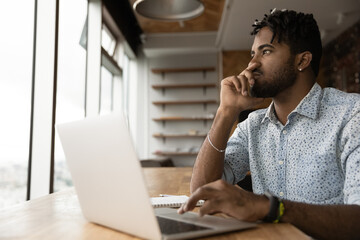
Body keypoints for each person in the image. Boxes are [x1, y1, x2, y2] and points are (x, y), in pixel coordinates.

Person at [178, 9, 360, 240]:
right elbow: (202, 191)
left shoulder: (352, 115)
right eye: (252, 54)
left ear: (302, 60)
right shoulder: (252, 124)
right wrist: (226, 113)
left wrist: (269, 207)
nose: (251, 64)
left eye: (265, 52)